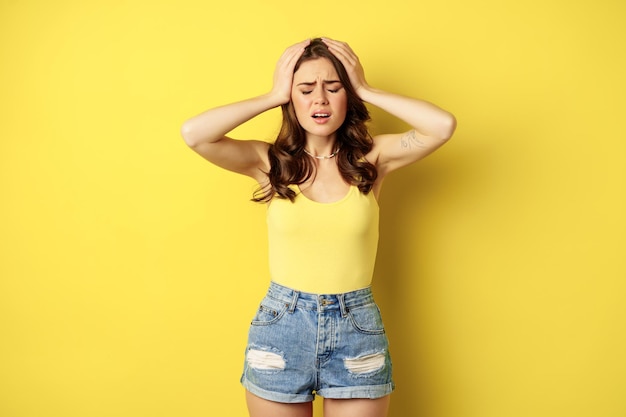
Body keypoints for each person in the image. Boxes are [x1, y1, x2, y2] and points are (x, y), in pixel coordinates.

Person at [181, 37, 456, 417]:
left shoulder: (372, 160)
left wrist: (366, 87)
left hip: (356, 329)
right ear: (291, 101)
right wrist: (273, 93)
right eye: (306, 89)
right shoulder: (269, 162)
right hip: (282, 327)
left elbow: (442, 126)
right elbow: (194, 133)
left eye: (334, 87)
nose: (320, 100)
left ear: (348, 96)